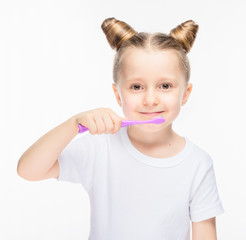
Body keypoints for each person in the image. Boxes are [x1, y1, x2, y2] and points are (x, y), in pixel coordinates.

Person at [17, 17, 224, 240]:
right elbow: (28, 170)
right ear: (118, 95)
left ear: (185, 94)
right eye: (137, 86)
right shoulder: (100, 148)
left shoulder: (198, 164)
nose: (150, 99)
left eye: (165, 86)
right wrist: (73, 124)